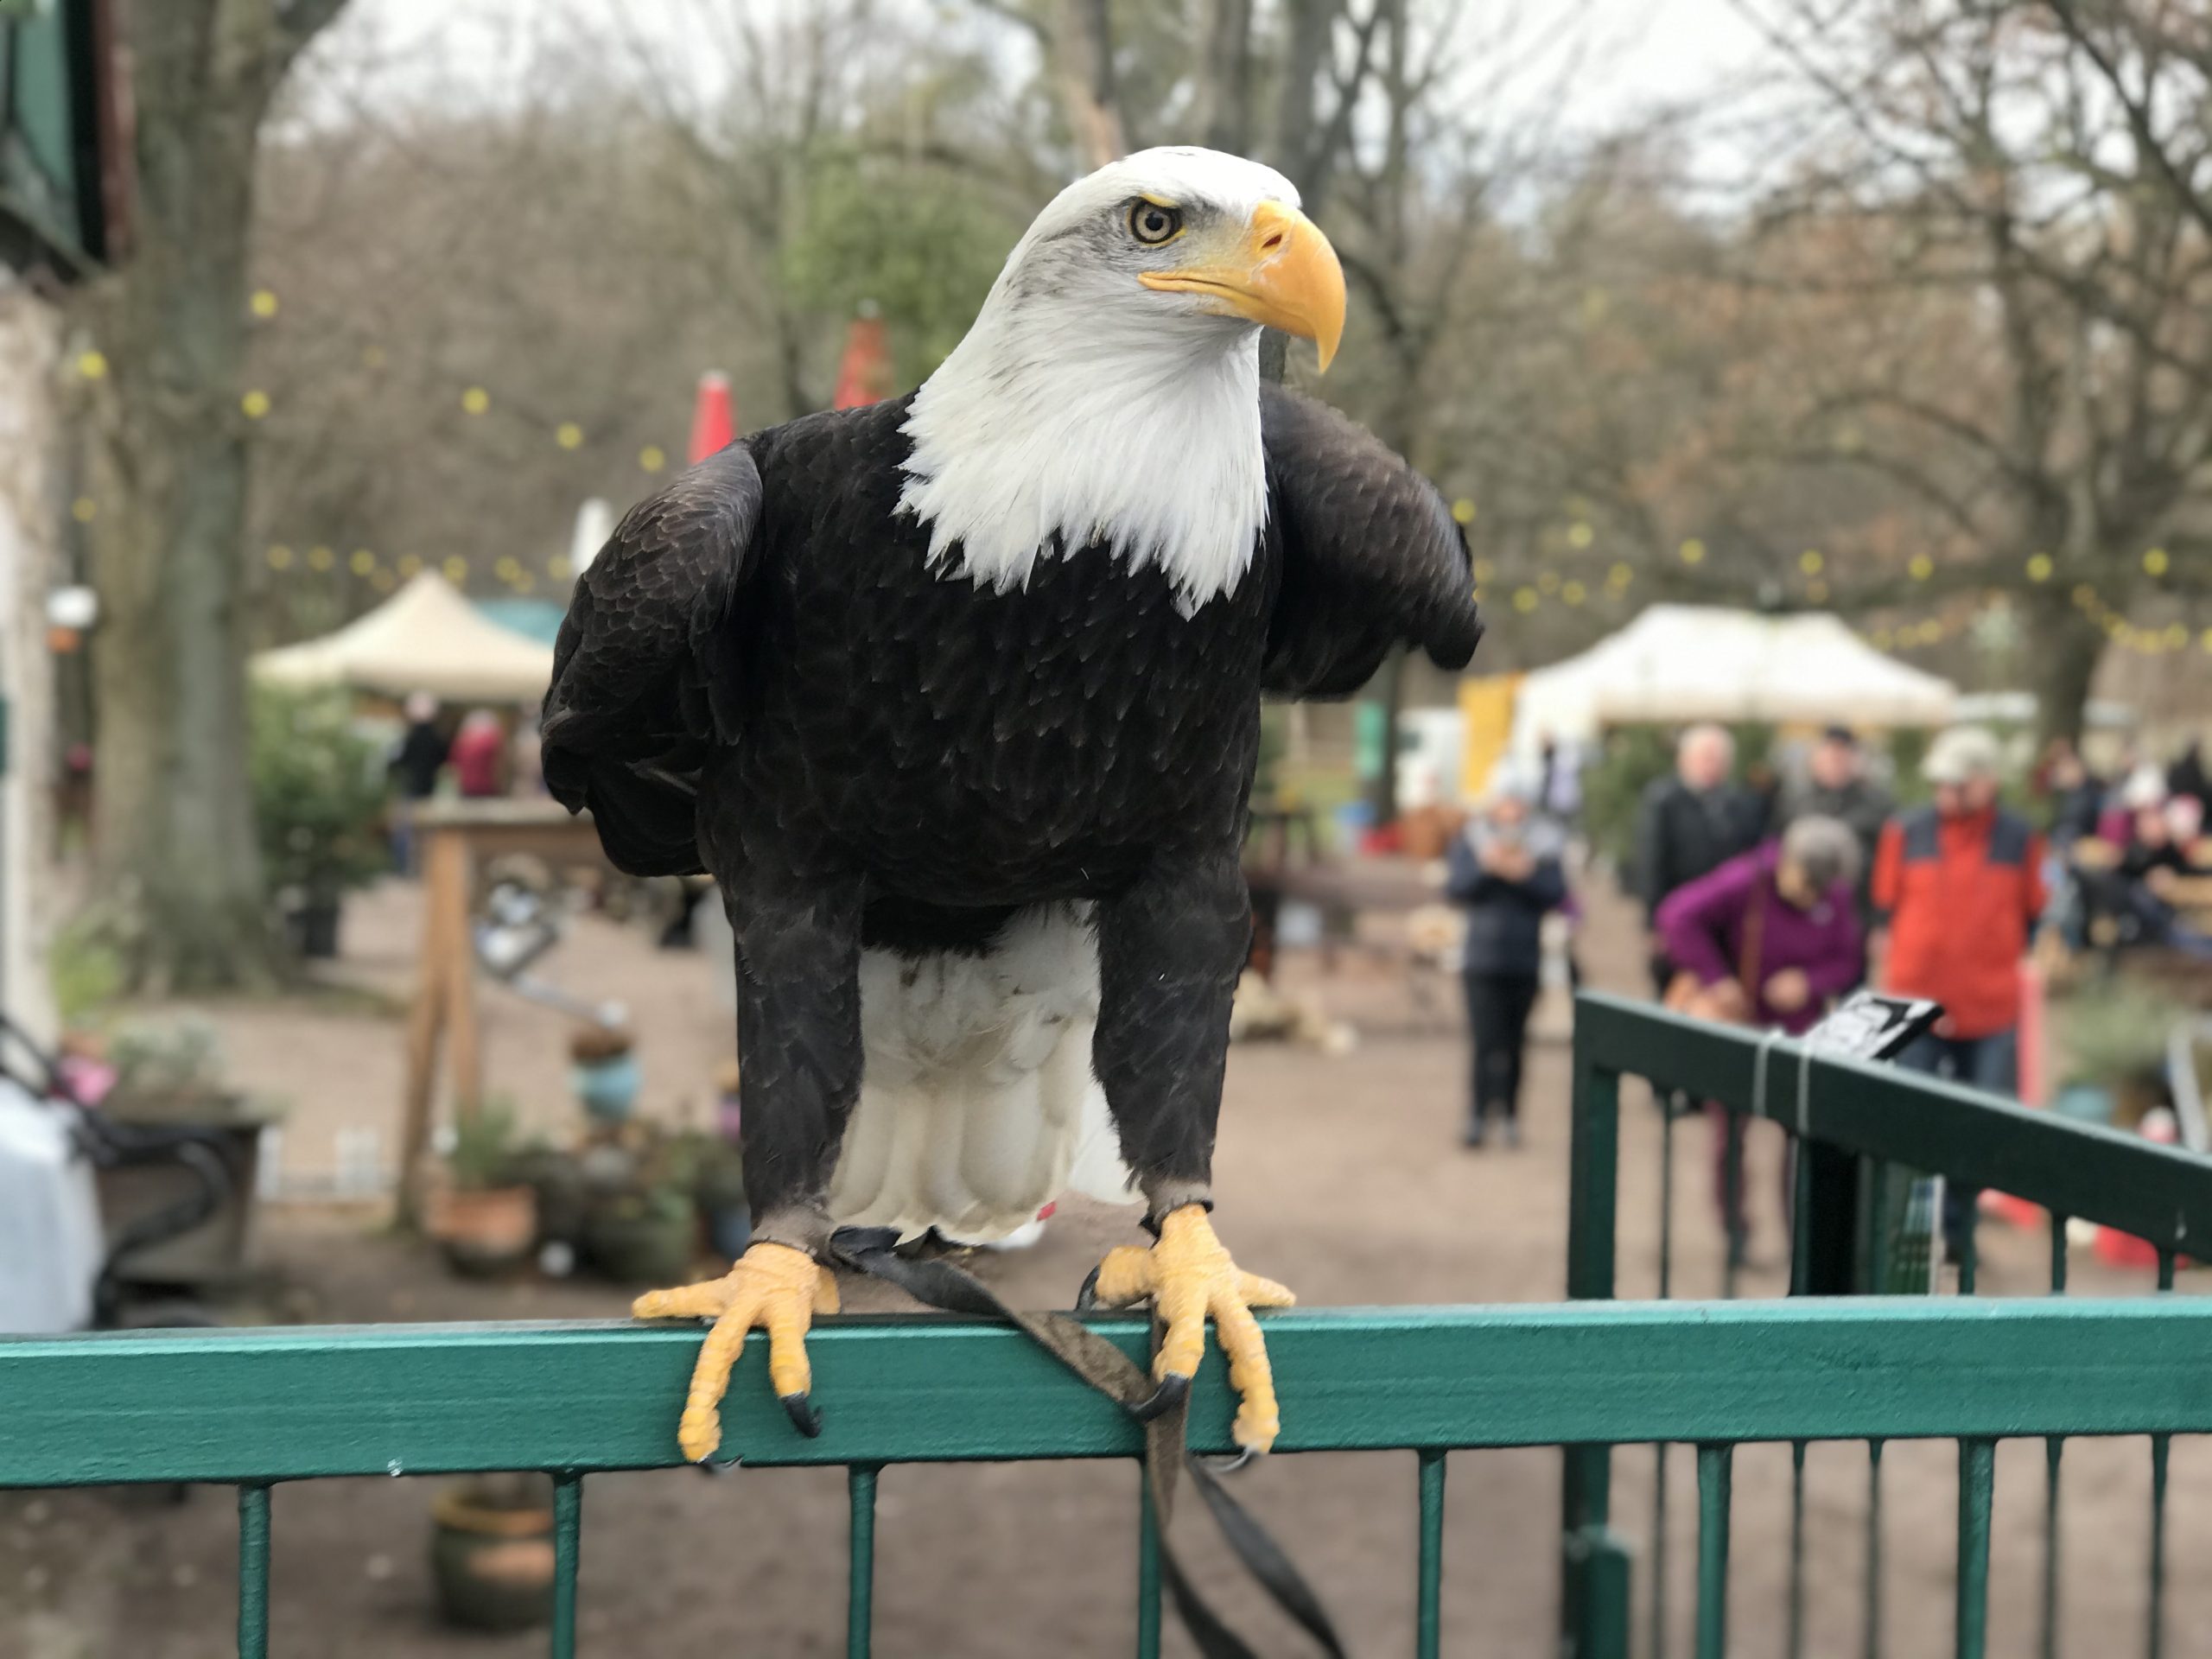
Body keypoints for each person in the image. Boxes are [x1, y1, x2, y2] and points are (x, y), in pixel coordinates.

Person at [1658, 816, 1866, 1259]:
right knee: (1729, 1134)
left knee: (1805, 1136)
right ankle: (1735, 1229)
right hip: (1741, 1026)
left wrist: (1809, 983)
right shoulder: (1746, 880)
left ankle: (1803, 1234)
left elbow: (1848, 960)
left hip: (1802, 1034)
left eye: (1819, 891)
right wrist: (1716, 978)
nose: (1810, 896)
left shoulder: (1837, 896)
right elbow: (1676, 916)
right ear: (1787, 862)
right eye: (1804, 884)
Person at [1872, 726, 2045, 1253]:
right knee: (1910, 1121)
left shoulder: (2020, 839)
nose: (1945, 792)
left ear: (1986, 783)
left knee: (1982, 1126)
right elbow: (1883, 906)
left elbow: (2033, 911)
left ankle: (1958, 1229)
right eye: (1940, 783)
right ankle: (1907, 1233)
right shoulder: (1906, 831)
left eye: (1956, 782)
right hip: (1915, 1007)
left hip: (1989, 1011)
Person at [1446, 783, 1568, 1149]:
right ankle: (1478, 1115)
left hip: (1524, 959)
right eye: (1506, 802)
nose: (1511, 811)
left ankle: (1512, 1115)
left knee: (1516, 1044)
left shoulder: (1544, 845)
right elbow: (1457, 889)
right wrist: (1490, 868)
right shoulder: (1472, 840)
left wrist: (1525, 873)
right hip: (1482, 960)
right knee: (1484, 1043)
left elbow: (1557, 894)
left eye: (1518, 802)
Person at [1634, 723, 1763, 995]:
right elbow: (1651, 864)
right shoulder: (1664, 801)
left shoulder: (1739, 803)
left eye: (1718, 759)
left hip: (1725, 925)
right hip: (1677, 918)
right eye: (1705, 757)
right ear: (1685, 760)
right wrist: (1653, 923)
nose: (1711, 765)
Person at [1779, 726, 1891, 933]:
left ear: (1854, 759)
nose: (1834, 762)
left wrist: (1881, 922)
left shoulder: (1878, 805)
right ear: (1816, 758)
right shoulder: (1794, 801)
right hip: (1801, 913)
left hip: (1857, 915)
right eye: (1829, 754)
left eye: (1841, 755)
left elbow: (1888, 866)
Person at [449, 709, 509, 798]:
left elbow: (454, 763)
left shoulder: (462, 742)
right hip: (487, 788)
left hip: (467, 788)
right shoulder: (492, 742)